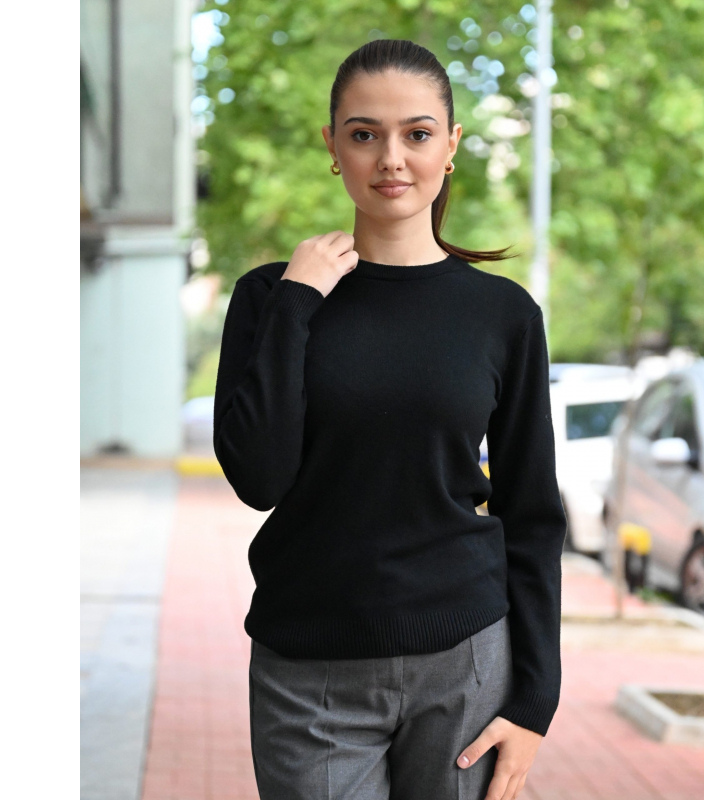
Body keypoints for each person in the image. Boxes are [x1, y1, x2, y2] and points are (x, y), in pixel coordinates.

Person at [213, 39, 567, 800]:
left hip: (467, 661)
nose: (391, 158)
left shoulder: (502, 315)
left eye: (418, 133)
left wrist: (536, 699)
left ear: (452, 146)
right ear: (332, 146)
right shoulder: (271, 297)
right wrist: (299, 302)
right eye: (364, 134)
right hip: (308, 670)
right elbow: (258, 478)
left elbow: (532, 513)